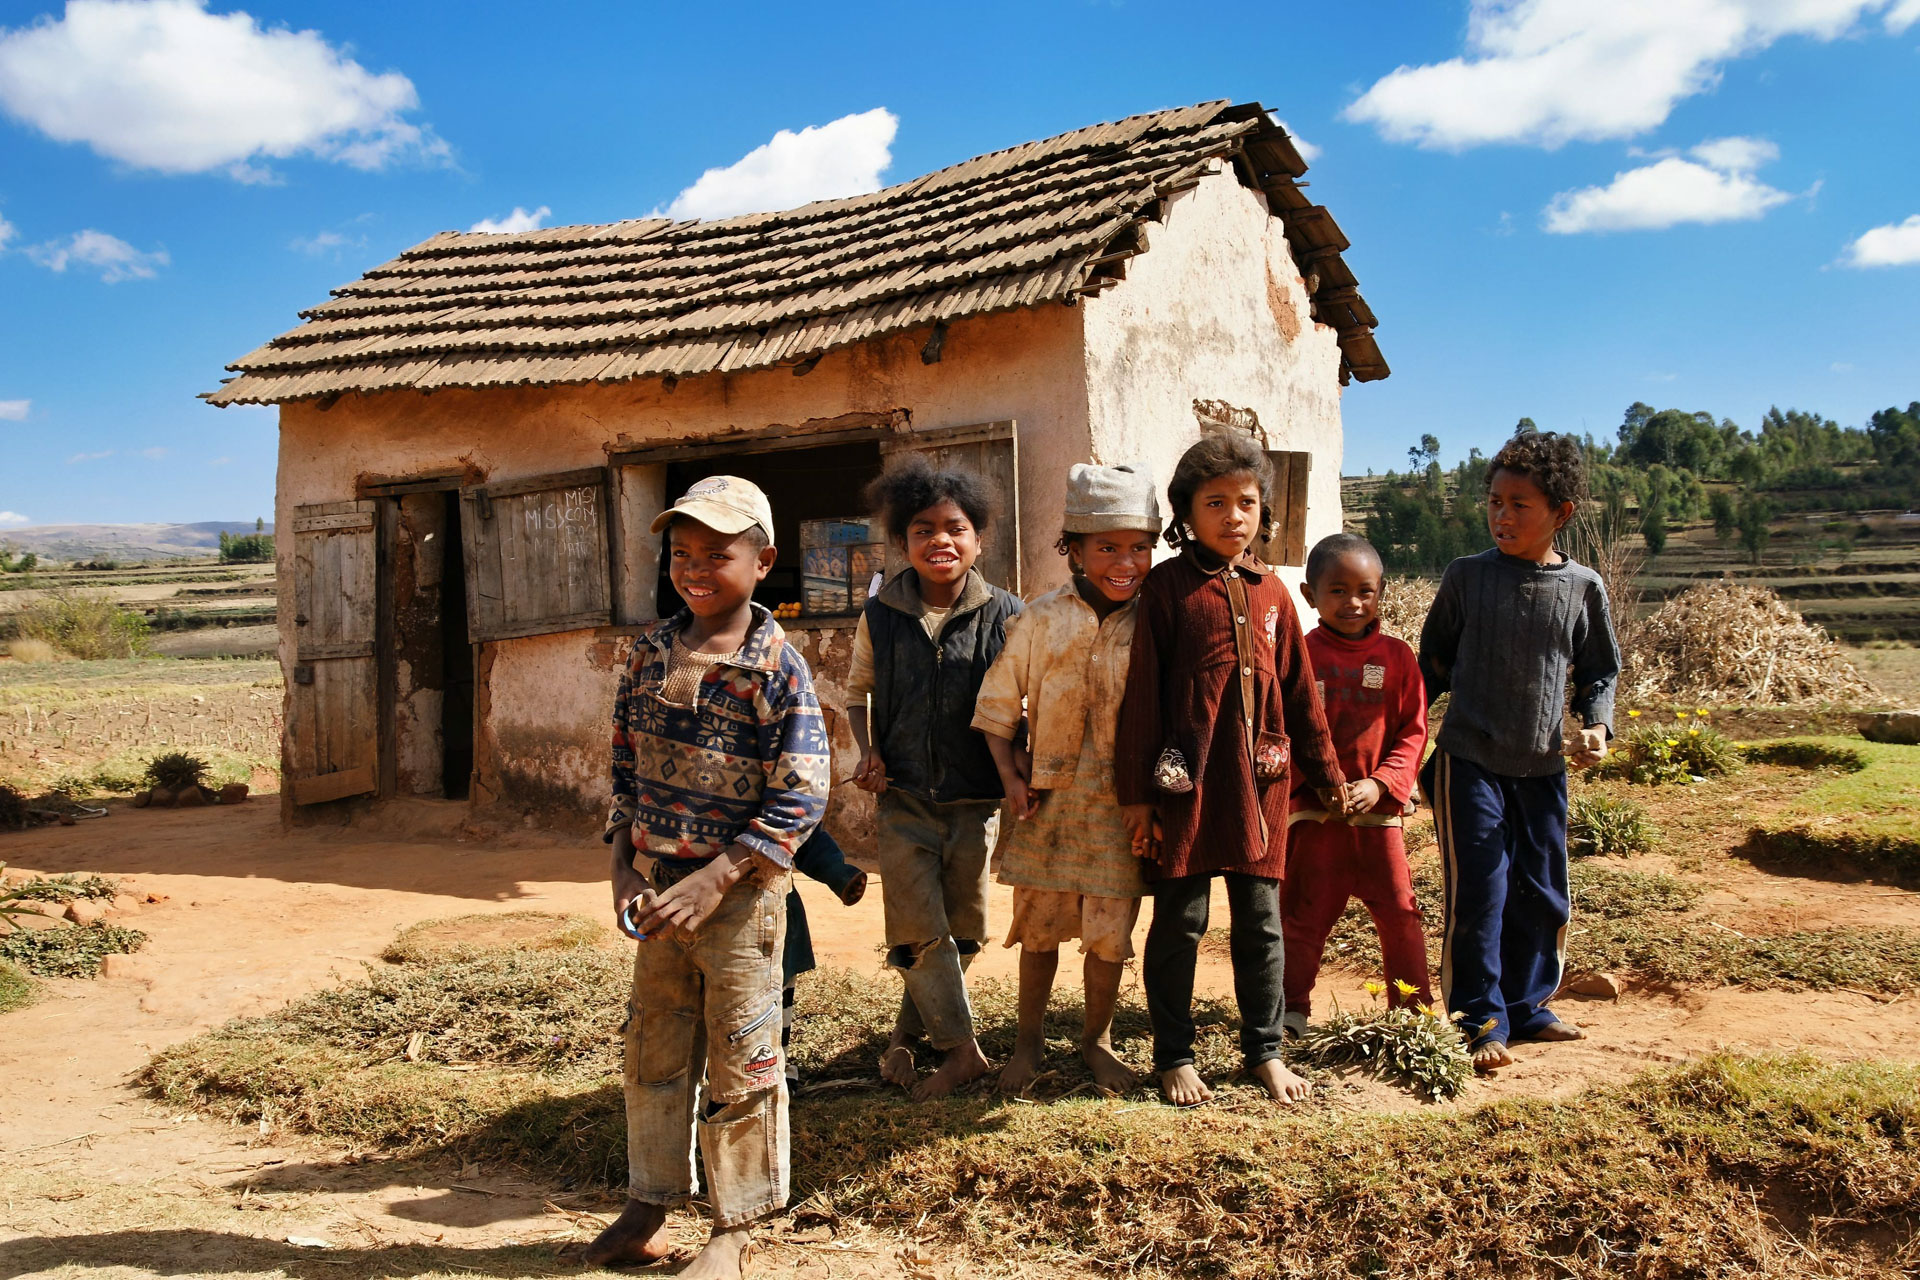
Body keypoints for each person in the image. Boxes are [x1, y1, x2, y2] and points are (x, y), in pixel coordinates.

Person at [587, 476, 831, 1279]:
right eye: (680, 553)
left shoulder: (777, 669)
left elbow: (801, 796)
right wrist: (623, 866)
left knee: (743, 1058)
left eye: (716, 554)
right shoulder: (650, 652)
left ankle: (734, 1228)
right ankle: (649, 1202)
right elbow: (623, 764)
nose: (694, 567)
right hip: (658, 893)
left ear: (763, 562)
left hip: (740, 898)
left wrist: (717, 878)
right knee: (653, 1049)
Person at [1115, 433, 1348, 1107]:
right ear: (1186, 512)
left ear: (1262, 511)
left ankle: (1264, 1050)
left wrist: (1327, 772)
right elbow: (1143, 697)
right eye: (1215, 503)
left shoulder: (1274, 594)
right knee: (1181, 923)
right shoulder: (1165, 589)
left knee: (1260, 921)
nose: (1233, 516)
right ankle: (1174, 1055)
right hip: (1185, 786)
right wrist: (1137, 799)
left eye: (1246, 502)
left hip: (1261, 785)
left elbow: (1301, 694)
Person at [1418, 430, 1620, 1074]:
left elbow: (1599, 672)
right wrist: (1391, 747)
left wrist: (1595, 724)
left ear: (1561, 514)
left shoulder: (1582, 587)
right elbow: (1432, 667)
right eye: (1494, 502)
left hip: (1542, 767)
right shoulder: (1467, 578)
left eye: (1520, 504)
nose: (1502, 516)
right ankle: (1479, 1018)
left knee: (1542, 893)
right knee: (1480, 891)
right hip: (1467, 761)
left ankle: (1529, 1005)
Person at [972, 464, 1161, 1096]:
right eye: (1106, 547)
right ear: (1073, 550)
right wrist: (1009, 776)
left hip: (1122, 806)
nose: (1124, 561)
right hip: (1047, 804)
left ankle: (1097, 1041)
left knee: (1111, 931)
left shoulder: (1159, 621)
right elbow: (998, 704)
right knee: (1041, 925)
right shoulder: (1040, 618)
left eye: (1139, 546)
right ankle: (1028, 1045)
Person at [846, 456, 1023, 1101]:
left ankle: (905, 1039)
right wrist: (867, 751)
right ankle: (961, 1051)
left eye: (955, 528)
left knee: (964, 928)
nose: (939, 541)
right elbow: (856, 693)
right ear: (902, 541)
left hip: (979, 799)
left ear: (978, 539)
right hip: (904, 797)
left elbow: (1021, 702)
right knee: (916, 924)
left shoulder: (1007, 613)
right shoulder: (882, 613)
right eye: (923, 530)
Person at [1280, 533, 1432, 1037]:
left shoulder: (1398, 657)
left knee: (1400, 914)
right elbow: (1283, 731)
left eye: (1365, 591)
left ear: (1381, 592)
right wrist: (1319, 784)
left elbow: (1413, 730)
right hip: (1315, 818)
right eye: (1338, 590)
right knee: (1302, 915)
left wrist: (1382, 783)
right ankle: (1292, 1010)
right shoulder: (1299, 657)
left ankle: (1413, 1018)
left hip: (1378, 817)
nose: (1353, 602)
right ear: (1310, 595)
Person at [781, 826, 868, 1086]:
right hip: (706, 906)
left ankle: (774, 1068)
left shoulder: (778, 797)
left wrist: (838, 874)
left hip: (773, 908)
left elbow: (804, 833)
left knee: (775, 1002)